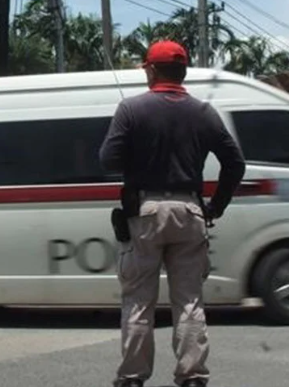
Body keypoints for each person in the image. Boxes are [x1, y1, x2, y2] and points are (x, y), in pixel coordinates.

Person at [99, 41, 246, 387]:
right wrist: (216, 207)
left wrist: (135, 154)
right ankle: (193, 376)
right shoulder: (204, 112)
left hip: (146, 212)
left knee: (138, 299)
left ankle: (133, 377)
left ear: (151, 70)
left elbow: (108, 160)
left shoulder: (131, 109)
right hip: (191, 212)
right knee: (190, 300)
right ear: (182, 72)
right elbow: (234, 163)